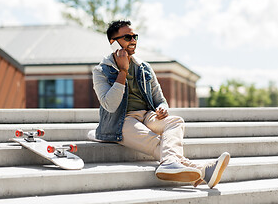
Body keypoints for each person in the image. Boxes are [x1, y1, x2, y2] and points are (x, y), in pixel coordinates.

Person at [92, 20, 230, 188]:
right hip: (121, 121)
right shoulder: (101, 71)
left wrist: (162, 108)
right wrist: (122, 71)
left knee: (176, 121)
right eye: (128, 37)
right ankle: (203, 171)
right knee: (159, 142)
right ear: (113, 43)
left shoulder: (144, 67)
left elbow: (160, 99)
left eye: (135, 36)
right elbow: (110, 105)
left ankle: (171, 164)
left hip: (147, 116)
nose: (133, 40)